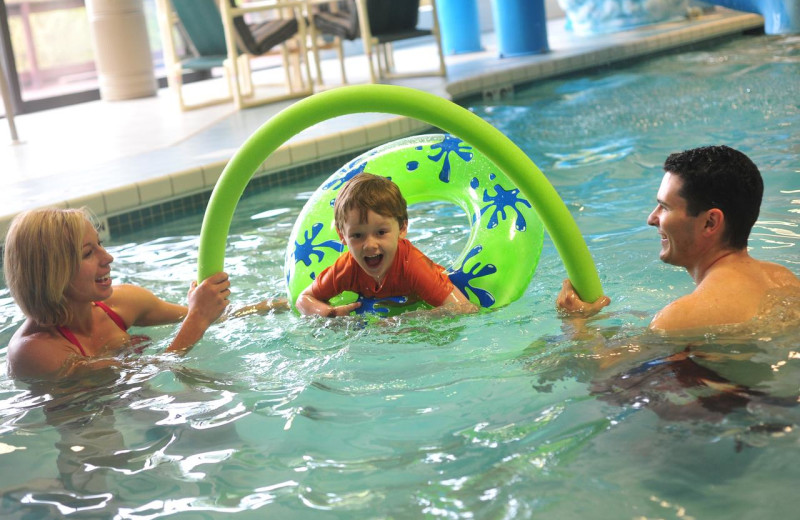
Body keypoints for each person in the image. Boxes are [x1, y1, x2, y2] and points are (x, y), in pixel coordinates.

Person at [557, 145, 800, 332]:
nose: (652, 219)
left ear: (710, 222)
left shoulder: (679, 318)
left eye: (664, 207)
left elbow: (603, 378)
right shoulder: (785, 281)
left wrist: (577, 324)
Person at [4, 208, 232, 381]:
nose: (107, 258)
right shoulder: (33, 351)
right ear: (51, 274)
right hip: (85, 422)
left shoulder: (121, 303)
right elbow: (152, 370)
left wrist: (263, 308)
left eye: (100, 244)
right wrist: (198, 318)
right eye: (88, 253)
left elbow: (211, 315)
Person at [295, 172, 477, 317]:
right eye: (357, 235)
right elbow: (304, 299)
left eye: (381, 232)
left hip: (414, 300)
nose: (369, 245)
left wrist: (407, 320)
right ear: (342, 236)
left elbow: (464, 308)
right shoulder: (346, 268)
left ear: (402, 227)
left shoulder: (412, 266)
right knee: (284, 305)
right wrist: (330, 313)